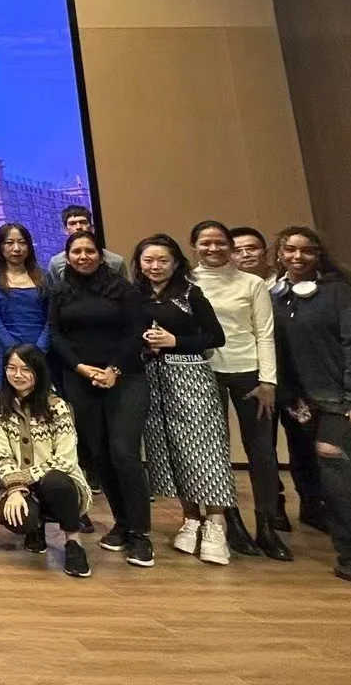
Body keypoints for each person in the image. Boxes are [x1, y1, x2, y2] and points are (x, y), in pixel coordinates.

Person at [271, 226, 351, 583]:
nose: (298, 257)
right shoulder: (276, 295)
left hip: (343, 400)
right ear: (280, 254)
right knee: (337, 474)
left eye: (307, 251)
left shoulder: (340, 294)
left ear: (319, 255)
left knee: (339, 466)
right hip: (304, 400)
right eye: (290, 250)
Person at [48, 231, 155, 566]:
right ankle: (121, 524)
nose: (83, 256)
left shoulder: (124, 289)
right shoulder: (59, 292)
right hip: (80, 380)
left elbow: (135, 332)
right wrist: (81, 368)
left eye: (89, 250)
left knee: (124, 452)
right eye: (76, 251)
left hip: (125, 378)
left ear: (101, 254)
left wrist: (112, 370)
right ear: (68, 256)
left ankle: (140, 534)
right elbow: (55, 335)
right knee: (100, 453)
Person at [133, 234, 239, 566]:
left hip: (191, 376)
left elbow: (214, 336)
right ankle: (190, 516)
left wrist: (174, 340)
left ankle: (217, 522)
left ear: (177, 262)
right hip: (153, 378)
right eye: (148, 260)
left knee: (205, 447)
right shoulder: (135, 296)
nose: (154, 266)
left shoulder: (190, 294)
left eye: (162, 260)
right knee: (169, 448)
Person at [190, 219, 289, 560]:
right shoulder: (186, 282)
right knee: (215, 452)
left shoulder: (251, 283)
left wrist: (269, 380)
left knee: (261, 450)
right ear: (194, 247)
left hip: (249, 373)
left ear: (229, 247)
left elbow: (264, 333)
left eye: (220, 242)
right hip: (205, 374)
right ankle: (230, 521)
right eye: (206, 242)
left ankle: (266, 526)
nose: (213, 248)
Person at [232, 224, 324, 533]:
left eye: (252, 248)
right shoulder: (233, 288)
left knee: (304, 441)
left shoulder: (288, 286)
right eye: (238, 250)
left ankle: (313, 504)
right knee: (263, 446)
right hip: (254, 379)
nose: (245, 254)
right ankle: (275, 509)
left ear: (267, 252)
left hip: (295, 380)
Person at [0, 344, 93, 578]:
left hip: (60, 483)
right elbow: (1, 452)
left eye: (26, 369)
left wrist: (25, 476)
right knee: (19, 516)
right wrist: (15, 488)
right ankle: (35, 530)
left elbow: (65, 460)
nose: (17, 375)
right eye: (11, 368)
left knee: (56, 481)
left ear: (39, 371)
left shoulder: (57, 406)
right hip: (23, 486)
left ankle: (73, 543)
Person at [0, 222, 50, 372]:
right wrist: (13, 350)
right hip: (8, 350)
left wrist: (39, 349)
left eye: (22, 243)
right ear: (0, 247)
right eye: (9, 243)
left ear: (29, 247)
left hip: (42, 349)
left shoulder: (44, 276)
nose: (16, 248)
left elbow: (52, 317)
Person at [48, 206, 128, 280]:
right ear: (65, 230)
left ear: (92, 228)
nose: (78, 227)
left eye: (82, 222)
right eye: (72, 223)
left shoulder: (116, 261)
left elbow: (124, 292)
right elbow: (54, 293)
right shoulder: (56, 263)